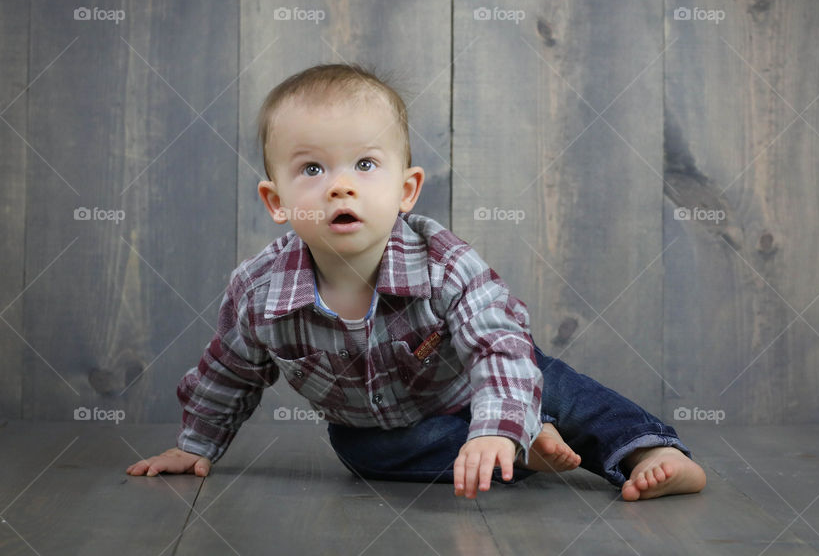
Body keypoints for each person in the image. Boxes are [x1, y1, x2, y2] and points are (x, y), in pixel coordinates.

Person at [126, 64, 706, 501]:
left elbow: (497, 345)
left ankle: (644, 449)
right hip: (392, 427)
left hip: (488, 380)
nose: (340, 187)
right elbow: (229, 371)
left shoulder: (443, 262)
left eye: (366, 165)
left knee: (560, 387)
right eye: (312, 169)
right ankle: (520, 450)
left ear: (406, 190)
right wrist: (193, 446)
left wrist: (497, 418)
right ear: (276, 202)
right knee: (364, 452)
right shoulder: (260, 293)